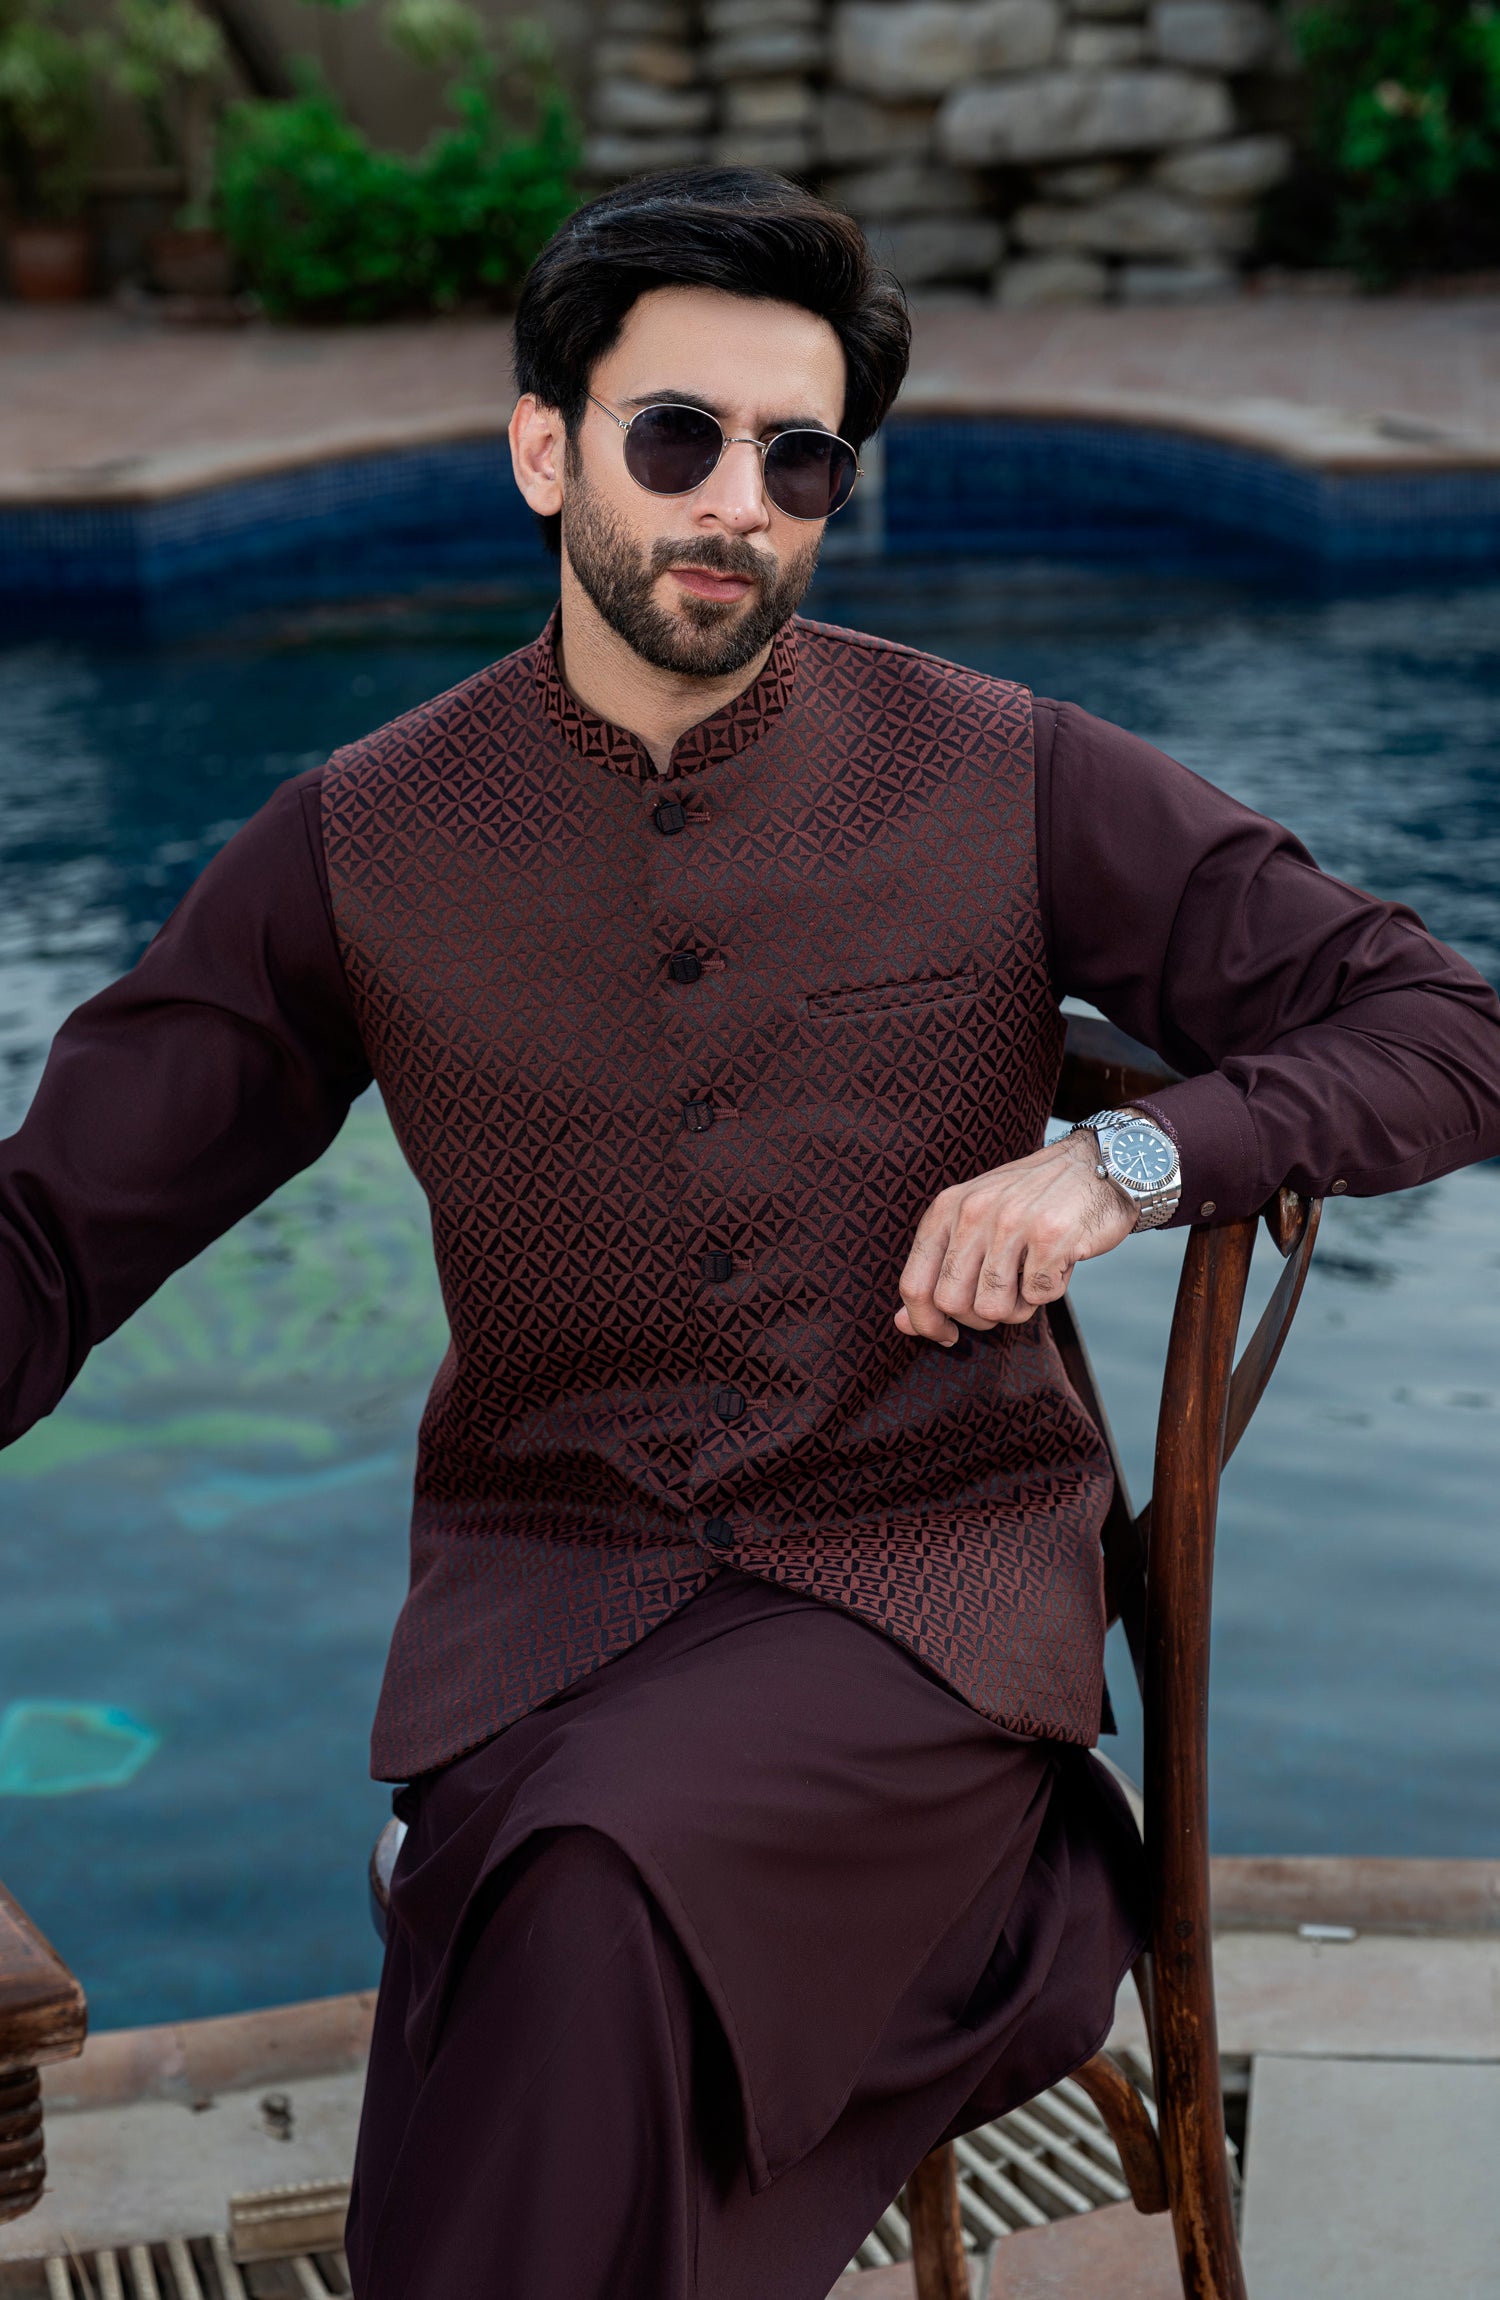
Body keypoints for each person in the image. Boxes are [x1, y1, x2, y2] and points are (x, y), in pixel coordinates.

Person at [4, 169, 1500, 2300]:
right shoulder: (359, 841)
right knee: (560, 1898)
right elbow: (58, 1228)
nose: (738, 501)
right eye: (678, 435)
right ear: (545, 448)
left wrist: (1124, 1160)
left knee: (580, 1900)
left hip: (924, 1615)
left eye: (800, 459)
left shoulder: (1008, 769)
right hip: (547, 1617)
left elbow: (1443, 1028)